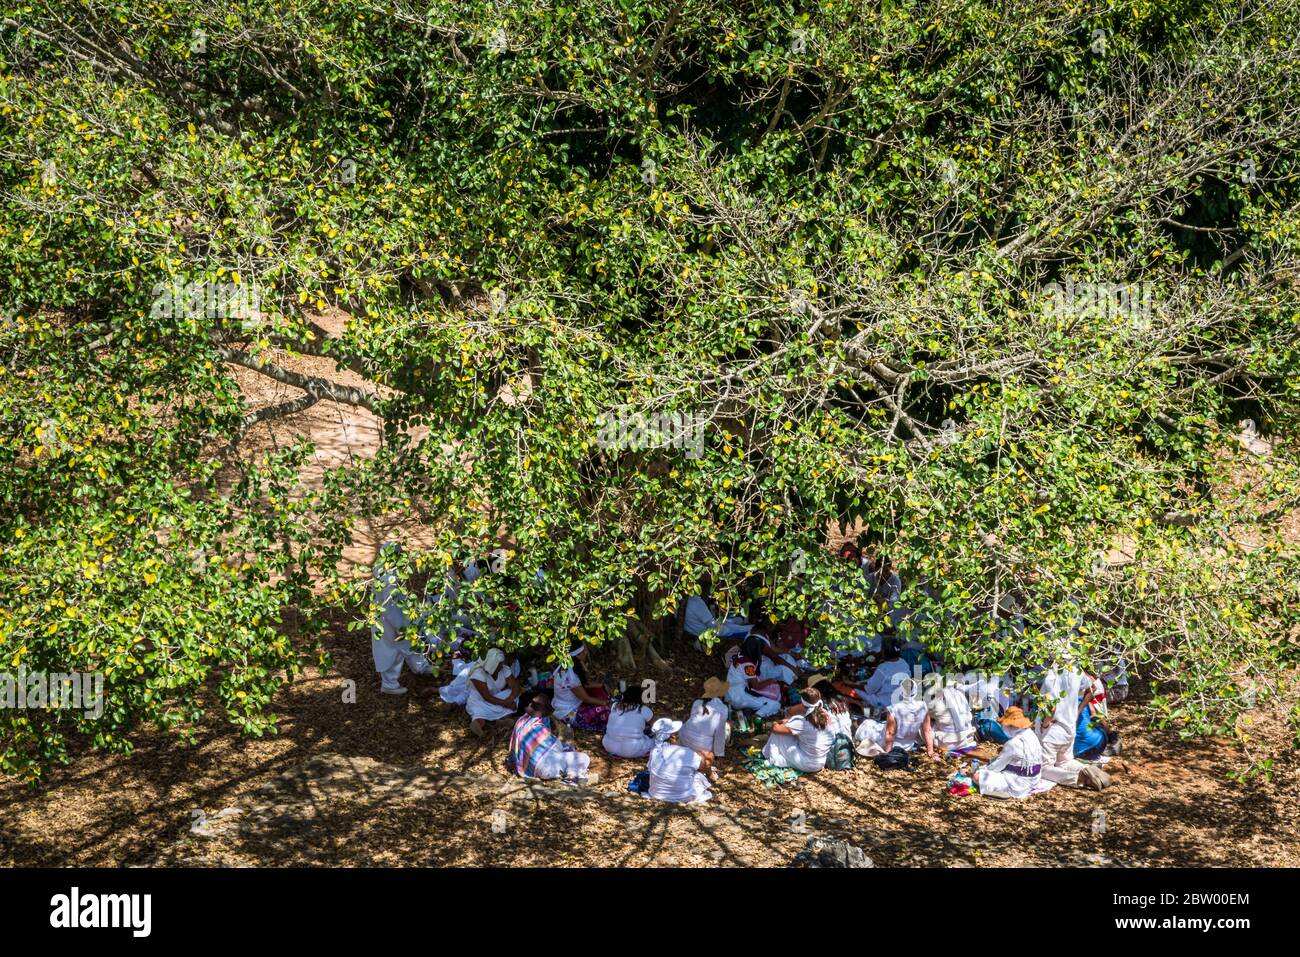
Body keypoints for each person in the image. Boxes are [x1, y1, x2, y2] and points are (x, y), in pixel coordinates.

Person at [370, 543, 434, 695]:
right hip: (391, 622)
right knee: (392, 652)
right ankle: (389, 684)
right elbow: (390, 607)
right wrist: (400, 626)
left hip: (394, 618)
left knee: (410, 644)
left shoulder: (383, 570)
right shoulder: (388, 578)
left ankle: (421, 667)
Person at [507, 694, 597, 784]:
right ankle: (572, 776)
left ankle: (571, 773)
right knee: (583, 757)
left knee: (563, 755)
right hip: (544, 768)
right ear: (543, 711)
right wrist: (566, 747)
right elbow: (556, 747)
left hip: (528, 767)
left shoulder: (521, 720)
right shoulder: (539, 727)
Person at [855, 678, 936, 758]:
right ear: (915, 691)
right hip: (908, 746)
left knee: (864, 722)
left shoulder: (893, 708)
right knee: (872, 723)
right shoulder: (923, 707)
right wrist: (930, 751)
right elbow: (927, 730)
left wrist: (888, 753)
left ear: (901, 691)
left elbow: (890, 733)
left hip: (890, 745)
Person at [761, 688, 836, 772]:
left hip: (807, 764)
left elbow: (775, 729)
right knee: (789, 732)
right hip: (821, 762)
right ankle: (781, 760)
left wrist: (776, 722)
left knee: (777, 734)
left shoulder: (802, 723)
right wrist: (789, 721)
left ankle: (771, 759)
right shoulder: (825, 714)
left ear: (802, 703)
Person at [1037, 664, 1088, 787]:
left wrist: (1044, 725)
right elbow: (1092, 689)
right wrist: (1077, 712)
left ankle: (1076, 778)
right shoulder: (1077, 670)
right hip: (1069, 728)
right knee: (1065, 762)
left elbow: (1052, 708)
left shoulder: (1051, 676)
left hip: (1051, 732)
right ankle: (1088, 770)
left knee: (1044, 768)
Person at [976, 707, 1043, 799]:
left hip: (1019, 783)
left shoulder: (1013, 743)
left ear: (1010, 726)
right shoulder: (1031, 734)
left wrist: (982, 770)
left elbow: (995, 767)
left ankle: (1005, 792)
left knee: (978, 776)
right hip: (1035, 778)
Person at [646, 718, 714, 803]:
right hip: (682, 798)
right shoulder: (686, 753)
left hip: (655, 794)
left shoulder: (655, 751)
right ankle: (712, 776)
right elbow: (704, 765)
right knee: (699, 773)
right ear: (673, 736)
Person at [551, 644, 611, 731]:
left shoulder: (567, 665)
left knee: (599, 691)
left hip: (571, 704)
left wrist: (602, 685)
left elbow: (583, 684)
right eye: (583, 652)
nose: (586, 653)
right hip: (568, 713)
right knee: (607, 711)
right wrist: (607, 703)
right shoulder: (570, 676)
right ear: (578, 656)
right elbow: (586, 698)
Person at [466, 648, 521, 736]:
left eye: (501, 663)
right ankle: (479, 728)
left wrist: (510, 699)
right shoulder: (478, 673)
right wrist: (506, 703)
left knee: (511, 693)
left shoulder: (504, 669)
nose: (501, 666)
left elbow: (515, 686)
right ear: (491, 663)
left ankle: (502, 720)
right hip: (480, 701)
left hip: (498, 698)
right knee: (480, 716)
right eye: (498, 664)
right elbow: (486, 696)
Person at [680, 677, 731, 758]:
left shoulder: (697, 702)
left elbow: (692, 719)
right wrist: (719, 754)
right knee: (726, 729)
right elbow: (719, 734)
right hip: (702, 746)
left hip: (684, 738)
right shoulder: (723, 709)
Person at [724, 646, 781, 717]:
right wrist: (770, 681)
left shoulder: (739, 658)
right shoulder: (748, 665)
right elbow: (757, 686)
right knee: (775, 704)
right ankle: (756, 717)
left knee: (763, 697)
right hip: (738, 698)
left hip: (730, 694)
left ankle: (749, 709)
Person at [602, 685, 655, 758]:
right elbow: (656, 725)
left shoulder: (614, 706)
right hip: (631, 750)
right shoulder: (643, 709)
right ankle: (643, 753)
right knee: (654, 741)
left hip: (609, 745)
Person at [928, 677, 977, 754]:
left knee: (926, 724)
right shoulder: (962, 697)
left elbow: (929, 718)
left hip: (948, 744)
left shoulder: (934, 704)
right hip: (966, 740)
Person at [861, 636, 912, 709]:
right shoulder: (904, 663)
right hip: (902, 701)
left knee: (854, 690)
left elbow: (869, 690)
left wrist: (852, 684)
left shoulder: (883, 668)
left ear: (884, 651)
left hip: (885, 703)